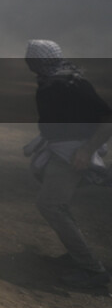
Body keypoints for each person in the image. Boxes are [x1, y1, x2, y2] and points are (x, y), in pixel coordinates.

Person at [23, 39, 112, 289]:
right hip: (60, 150)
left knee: (50, 205)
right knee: (55, 201)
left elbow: (106, 118)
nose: (29, 64)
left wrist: (86, 150)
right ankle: (77, 252)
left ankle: (93, 270)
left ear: (40, 62)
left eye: (32, 60)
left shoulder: (71, 84)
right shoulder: (51, 81)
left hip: (72, 154)